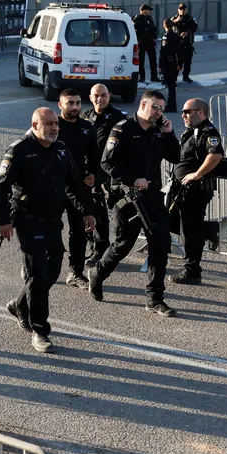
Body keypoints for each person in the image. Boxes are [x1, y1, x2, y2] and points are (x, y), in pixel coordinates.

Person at [0, 108, 96, 354]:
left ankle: (19, 305)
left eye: (56, 124)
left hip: (52, 220)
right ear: (35, 125)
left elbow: (74, 184)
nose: (54, 128)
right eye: (48, 124)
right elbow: (1, 188)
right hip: (28, 220)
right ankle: (40, 331)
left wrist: (87, 211)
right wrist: (3, 221)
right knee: (38, 274)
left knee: (53, 269)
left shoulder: (61, 149)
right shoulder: (19, 151)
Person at [89, 90, 181, 317]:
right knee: (123, 244)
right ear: (143, 105)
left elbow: (175, 157)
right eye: (155, 107)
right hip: (127, 196)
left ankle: (155, 298)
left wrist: (169, 133)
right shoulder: (123, 129)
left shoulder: (159, 131)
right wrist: (132, 179)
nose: (158, 113)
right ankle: (97, 274)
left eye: (161, 109)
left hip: (153, 197)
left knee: (160, 245)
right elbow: (107, 163)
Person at [169, 99, 225, 284]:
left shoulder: (208, 132)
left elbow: (215, 155)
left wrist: (197, 174)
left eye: (187, 111)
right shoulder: (192, 131)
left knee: (190, 231)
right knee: (171, 222)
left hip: (195, 191)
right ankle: (209, 230)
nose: (183, 115)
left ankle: (192, 271)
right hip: (182, 189)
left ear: (200, 112)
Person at [55, 89, 101, 288]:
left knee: (79, 230)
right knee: (50, 228)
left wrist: (93, 175)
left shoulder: (86, 127)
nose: (74, 107)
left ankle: (75, 272)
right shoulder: (52, 125)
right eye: (70, 103)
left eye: (77, 103)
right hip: (54, 185)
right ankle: (36, 266)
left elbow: (95, 157)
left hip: (79, 185)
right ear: (60, 105)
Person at [81, 84, 124, 266]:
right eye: (96, 95)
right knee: (85, 210)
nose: (100, 99)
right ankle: (92, 246)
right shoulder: (85, 116)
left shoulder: (118, 118)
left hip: (106, 173)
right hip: (85, 171)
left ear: (109, 96)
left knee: (99, 213)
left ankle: (101, 248)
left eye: (104, 95)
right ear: (91, 97)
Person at [172, 4, 198, 83]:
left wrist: (187, 32)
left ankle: (186, 76)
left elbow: (194, 28)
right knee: (177, 62)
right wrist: (176, 21)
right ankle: (174, 77)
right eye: (181, 9)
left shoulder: (190, 19)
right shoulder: (174, 18)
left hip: (187, 43)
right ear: (178, 10)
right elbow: (168, 25)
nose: (182, 10)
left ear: (186, 10)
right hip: (177, 44)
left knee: (188, 61)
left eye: (184, 9)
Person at [132, 5, 159, 83]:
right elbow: (137, 31)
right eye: (148, 10)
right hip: (142, 42)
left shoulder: (149, 18)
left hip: (150, 42)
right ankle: (142, 76)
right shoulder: (137, 19)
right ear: (143, 10)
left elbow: (153, 29)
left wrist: (154, 37)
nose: (150, 12)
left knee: (153, 60)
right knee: (141, 60)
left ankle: (154, 76)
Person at [159, 19, 181, 112]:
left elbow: (163, 52)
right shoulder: (176, 36)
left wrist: (160, 65)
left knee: (170, 85)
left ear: (164, 26)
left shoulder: (166, 36)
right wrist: (180, 63)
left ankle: (171, 105)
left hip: (167, 63)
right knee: (172, 85)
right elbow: (180, 50)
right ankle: (172, 104)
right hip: (174, 62)